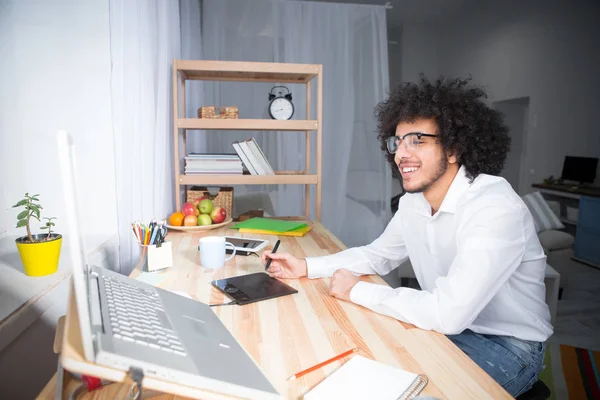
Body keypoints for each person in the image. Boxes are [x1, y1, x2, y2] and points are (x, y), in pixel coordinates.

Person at [262, 76, 553, 398]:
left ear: (454, 148)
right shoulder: (415, 201)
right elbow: (378, 254)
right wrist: (305, 266)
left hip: (508, 346)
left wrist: (357, 290)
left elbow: (448, 313)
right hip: (443, 328)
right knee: (350, 362)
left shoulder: (495, 207)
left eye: (417, 140)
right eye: (397, 142)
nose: (401, 153)